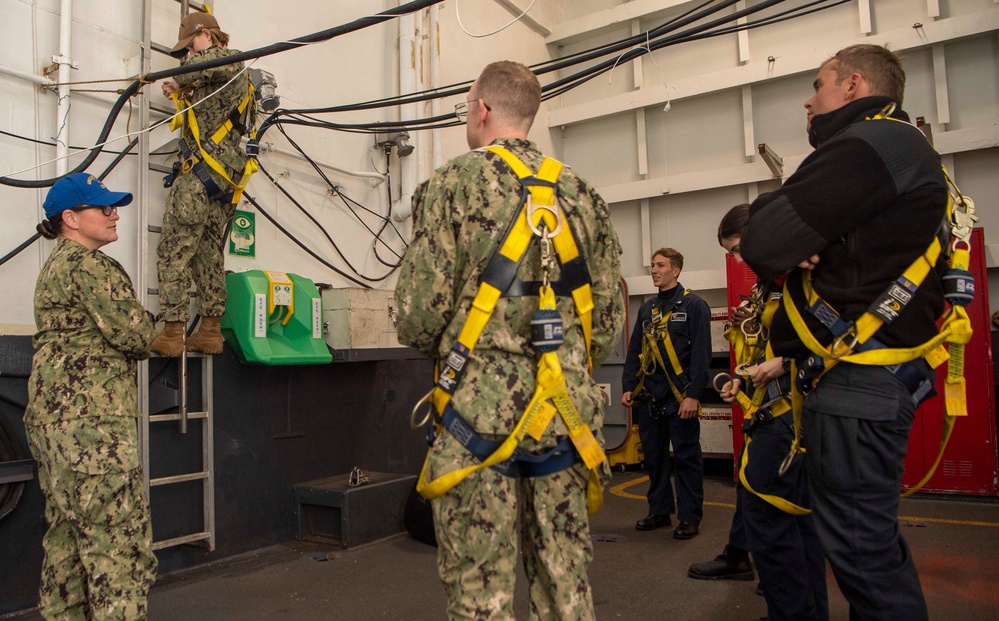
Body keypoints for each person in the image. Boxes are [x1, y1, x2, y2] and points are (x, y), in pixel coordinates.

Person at [395, 61, 624, 620]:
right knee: (566, 583)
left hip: (476, 419)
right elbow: (610, 322)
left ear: (481, 110)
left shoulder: (452, 185)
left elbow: (416, 315)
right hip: (565, 417)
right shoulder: (584, 195)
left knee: (480, 594)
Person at [741, 44, 948, 620]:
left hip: (859, 383)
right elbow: (771, 231)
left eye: (819, 85)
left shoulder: (872, 144)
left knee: (863, 554)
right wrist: (777, 223)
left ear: (854, 84)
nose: (811, 100)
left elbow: (762, 242)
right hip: (860, 381)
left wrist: (779, 228)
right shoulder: (897, 150)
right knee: (864, 547)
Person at [25, 173, 158, 619]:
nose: (113, 213)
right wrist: (152, 322)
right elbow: (136, 336)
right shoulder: (89, 267)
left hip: (51, 421)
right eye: (102, 208)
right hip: (91, 426)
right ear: (71, 218)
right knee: (117, 545)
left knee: (66, 538)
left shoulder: (53, 269)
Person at [687, 204, 828, 621]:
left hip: (792, 420)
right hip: (776, 413)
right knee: (793, 523)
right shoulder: (772, 284)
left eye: (736, 248)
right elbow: (767, 341)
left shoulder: (807, 277)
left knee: (770, 519)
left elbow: (833, 337)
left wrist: (781, 364)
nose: (736, 260)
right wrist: (746, 378)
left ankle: (791, 613)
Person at [152, 11, 254, 356]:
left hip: (200, 173)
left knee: (174, 249)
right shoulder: (226, 75)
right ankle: (210, 330)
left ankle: (171, 331)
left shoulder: (226, 58)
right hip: (223, 176)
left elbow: (204, 66)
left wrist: (181, 79)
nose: (188, 55)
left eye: (190, 46)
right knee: (208, 251)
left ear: (206, 34)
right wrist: (182, 90)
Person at [621, 248, 710, 539]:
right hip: (651, 396)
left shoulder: (694, 306)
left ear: (676, 270)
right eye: (653, 266)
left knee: (686, 458)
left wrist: (693, 395)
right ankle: (659, 512)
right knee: (656, 459)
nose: (654, 270)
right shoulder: (648, 310)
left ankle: (689, 517)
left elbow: (700, 354)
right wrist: (627, 387)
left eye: (661, 265)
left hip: (680, 396)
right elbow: (635, 349)